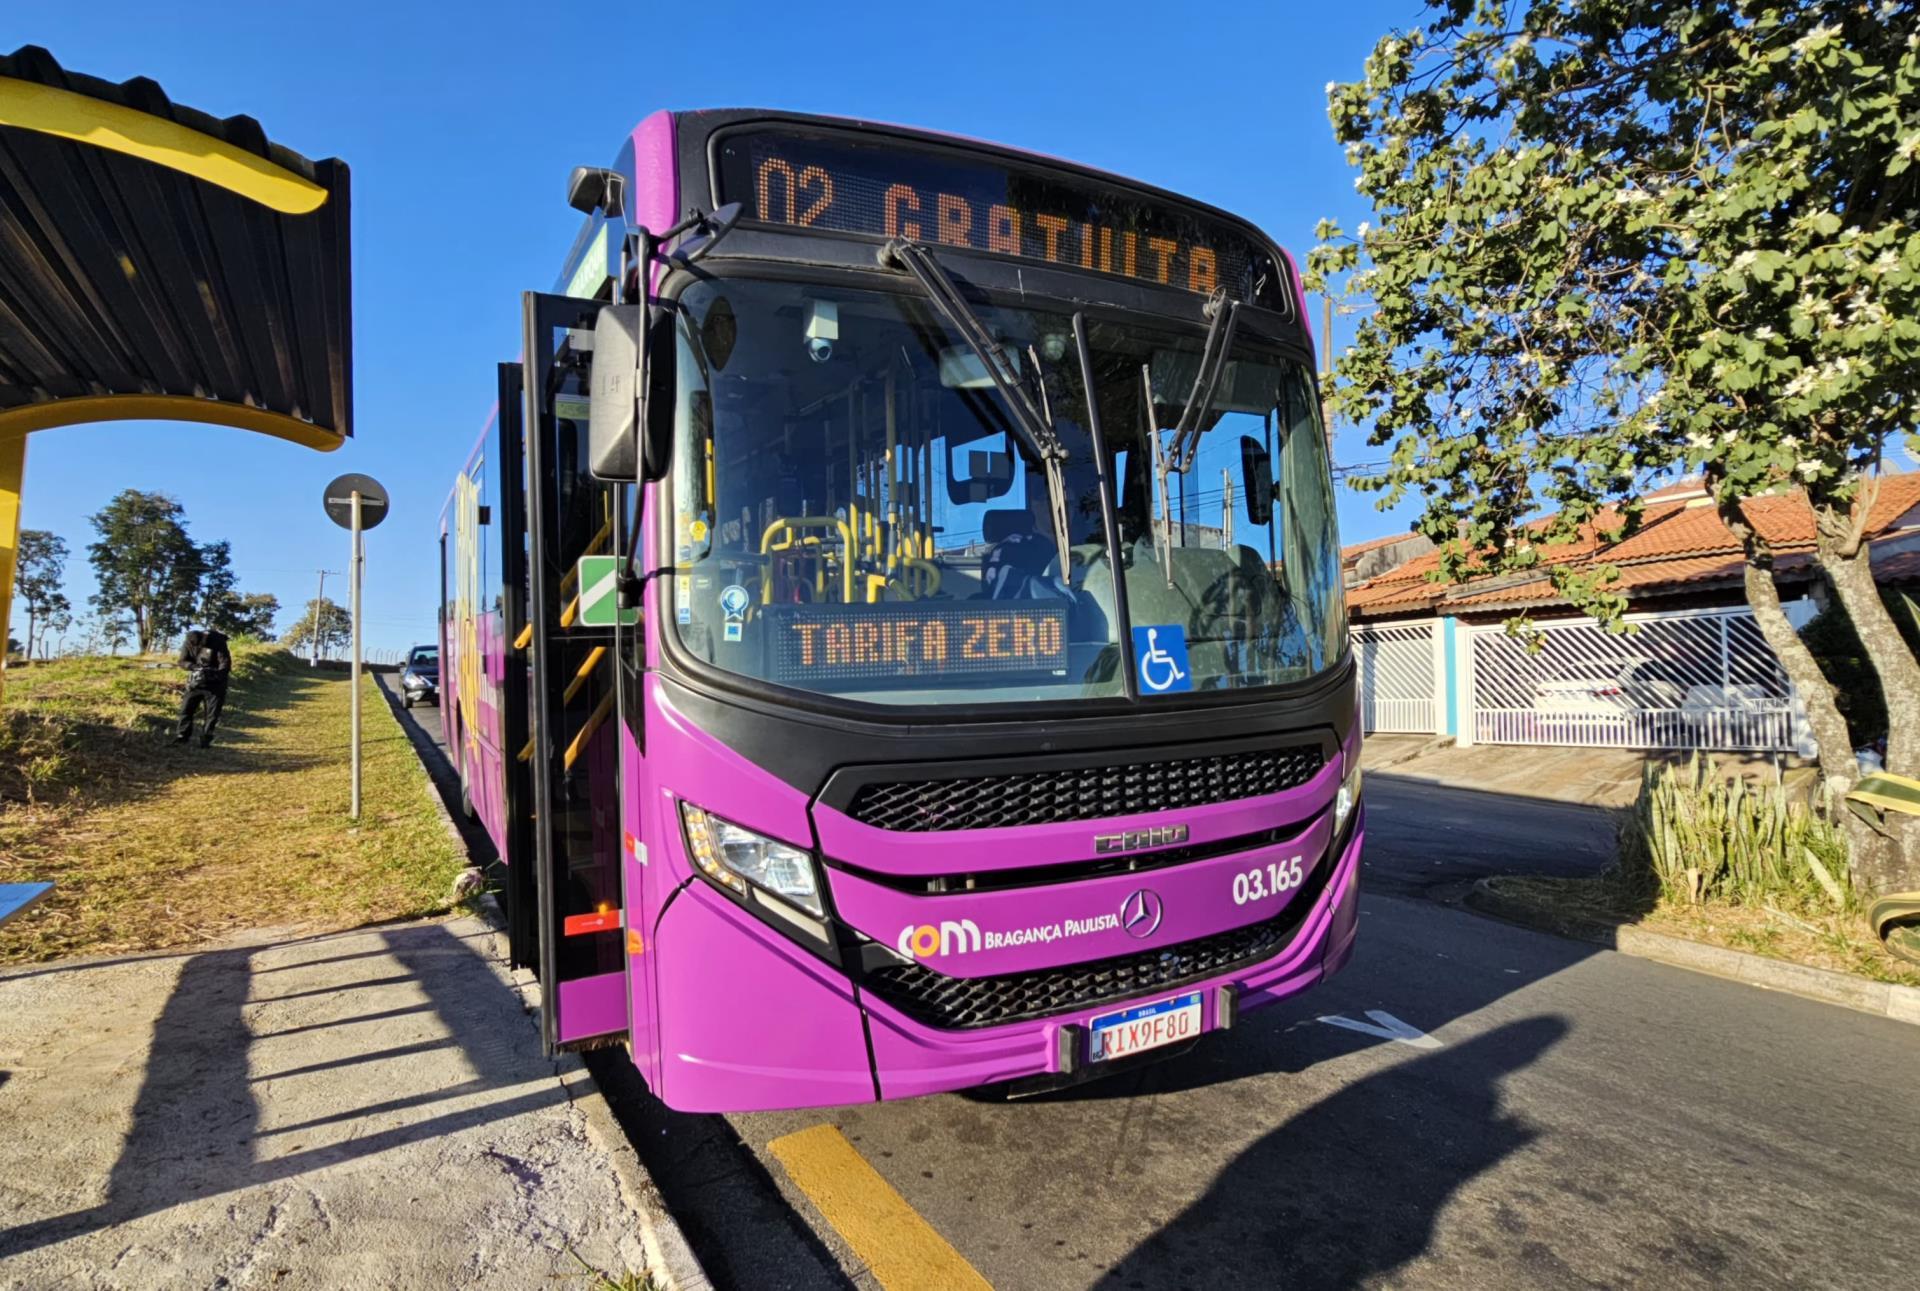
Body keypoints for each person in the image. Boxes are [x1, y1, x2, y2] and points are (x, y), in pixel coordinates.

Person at [174, 628, 233, 747]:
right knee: (186, 710)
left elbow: (225, 664)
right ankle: (182, 737)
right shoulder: (188, 642)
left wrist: (213, 674)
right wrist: (192, 666)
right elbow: (182, 661)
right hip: (195, 683)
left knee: (212, 714)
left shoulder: (218, 641)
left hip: (216, 684)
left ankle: (206, 739)